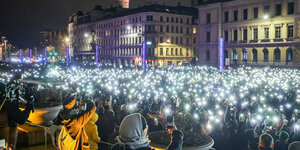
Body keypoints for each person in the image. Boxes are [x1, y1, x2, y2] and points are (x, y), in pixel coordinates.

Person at [112, 113, 183, 150]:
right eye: (145, 127)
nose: (147, 128)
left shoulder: (116, 147)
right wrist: (176, 133)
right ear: (138, 131)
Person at [0, 82, 34, 150]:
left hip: (9, 123)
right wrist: (29, 105)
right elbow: (22, 119)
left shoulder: (9, 103)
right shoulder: (9, 105)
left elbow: (21, 119)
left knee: (8, 145)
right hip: (7, 124)